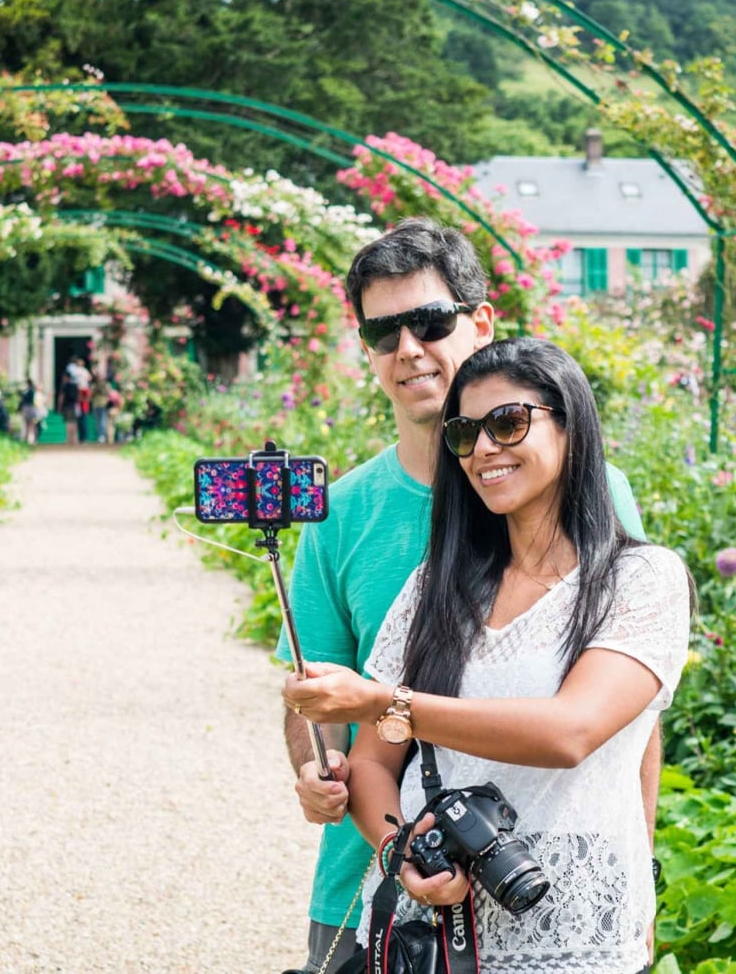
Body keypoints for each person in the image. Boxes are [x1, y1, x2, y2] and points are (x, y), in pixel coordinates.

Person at [276, 219, 657, 974]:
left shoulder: (600, 503)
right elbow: (319, 697)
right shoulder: (343, 514)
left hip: (554, 896)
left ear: (481, 322)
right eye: (382, 332)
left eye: (429, 321)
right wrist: (322, 767)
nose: (408, 348)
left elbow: (628, 716)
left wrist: (636, 868)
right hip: (372, 892)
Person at [18, 378, 43, 445]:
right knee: (28, 424)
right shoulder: (28, 391)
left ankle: (31, 439)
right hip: (28, 408)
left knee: (31, 424)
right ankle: (28, 439)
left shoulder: (30, 391)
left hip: (30, 408)